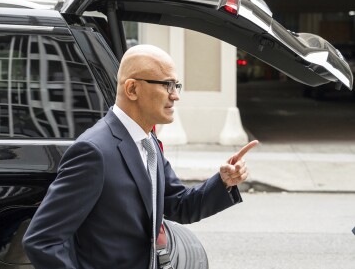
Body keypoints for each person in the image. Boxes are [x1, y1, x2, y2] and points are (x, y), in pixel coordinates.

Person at [22, 44, 259, 269]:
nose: (175, 95)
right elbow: (42, 240)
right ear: (133, 89)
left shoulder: (148, 142)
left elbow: (179, 205)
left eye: (177, 85)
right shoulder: (93, 152)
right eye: (167, 84)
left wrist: (224, 182)